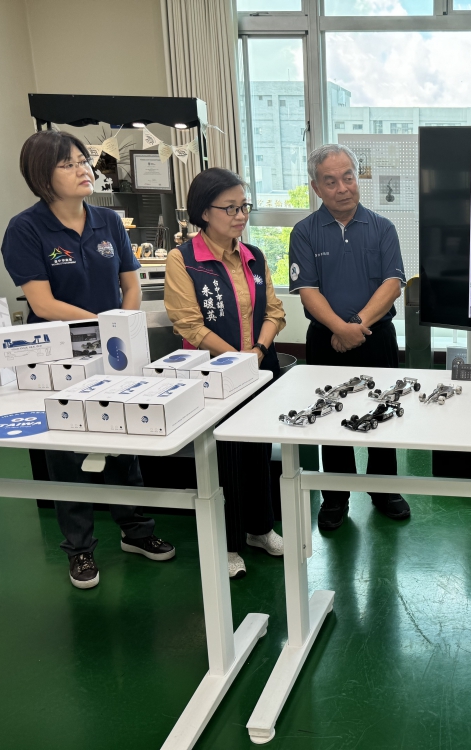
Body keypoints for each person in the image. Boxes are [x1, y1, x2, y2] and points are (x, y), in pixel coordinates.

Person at [0, 130, 175, 590]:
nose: (84, 170)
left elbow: (130, 283)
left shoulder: (107, 221)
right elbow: (42, 302)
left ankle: (136, 530)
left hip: (114, 350)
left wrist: (124, 327)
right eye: (69, 164)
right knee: (67, 448)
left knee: (123, 436)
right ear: (42, 176)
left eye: (84, 161)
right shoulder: (26, 229)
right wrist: (103, 325)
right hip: (60, 353)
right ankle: (79, 548)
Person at [164, 168, 286, 578]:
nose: (240, 215)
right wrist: (237, 358)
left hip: (258, 366)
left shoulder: (254, 255)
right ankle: (229, 543)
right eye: (230, 208)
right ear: (204, 212)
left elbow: (274, 311)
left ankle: (260, 529)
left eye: (243, 206)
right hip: (215, 373)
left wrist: (259, 351)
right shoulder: (184, 259)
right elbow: (189, 324)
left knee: (258, 450)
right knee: (225, 458)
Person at [287, 144, 409, 531]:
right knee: (329, 415)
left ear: (358, 179)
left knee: (382, 412)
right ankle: (336, 496)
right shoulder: (304, 232)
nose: (342, 188)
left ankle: (384, 490)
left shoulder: (382, 227)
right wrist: (340, 330)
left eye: (348, 177)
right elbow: (307, 291)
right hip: (326, 340)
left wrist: (354, 326)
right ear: (316, 187)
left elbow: (392, 285)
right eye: (331, 181)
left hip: (377, 336)